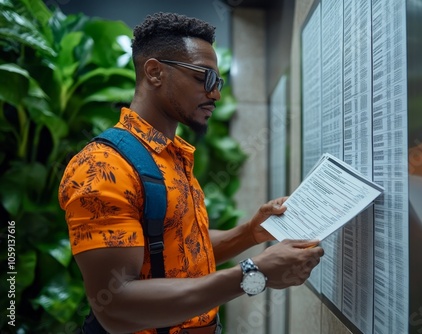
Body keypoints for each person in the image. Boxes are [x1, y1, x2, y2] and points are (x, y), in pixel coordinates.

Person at [58, 12, 324, 334]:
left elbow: (178, 252)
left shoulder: (172, 155)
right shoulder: (102, 167)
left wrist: (250, 232)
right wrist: (253, 273)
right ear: (155, 72)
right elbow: (115, 306)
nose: (216, 94)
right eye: (204, 78)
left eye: (219, 82)